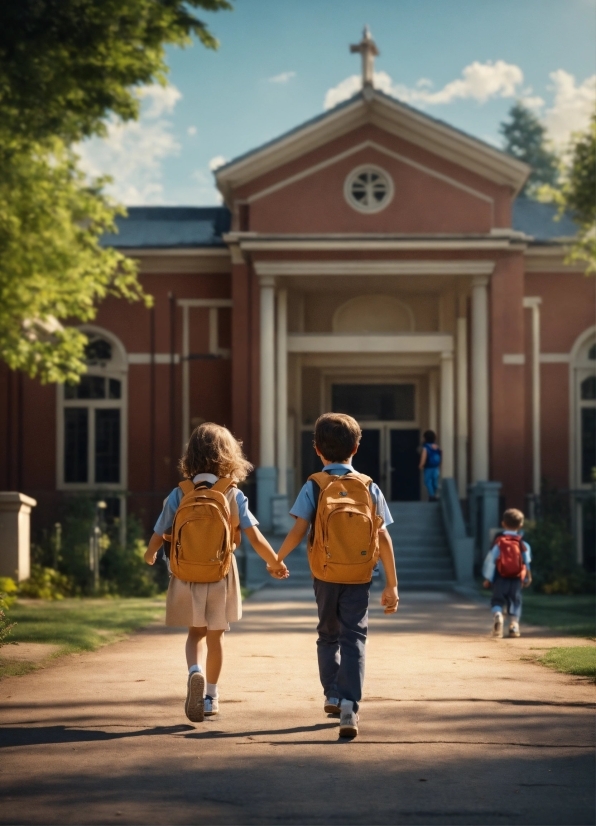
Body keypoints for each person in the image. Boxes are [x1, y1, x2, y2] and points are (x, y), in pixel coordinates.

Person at [144, 422, 287, 722]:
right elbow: (254, 537)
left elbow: (160, 529)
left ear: (191, 456)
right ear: (229, 456)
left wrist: (151, 552)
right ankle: (210, 695)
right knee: (215, 636)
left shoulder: (179, 492)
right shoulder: (232, 494)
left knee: (194, 634)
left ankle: (193, 671)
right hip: (220, 573)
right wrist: (274, 562)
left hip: (186, 574)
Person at [275, 412, 399, 739]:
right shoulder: (369, 487)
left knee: (328, 633)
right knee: (354, 637)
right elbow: (383, 536)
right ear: (356, 447)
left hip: (325, 574)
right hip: (360, 574)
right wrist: (392, 584)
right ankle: (349, 706)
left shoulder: (315, 485)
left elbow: (299, 529)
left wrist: (277, 558)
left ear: (317, 449)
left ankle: (331, 692)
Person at [483, 508, 532, 638]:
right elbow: (526, 562)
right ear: (520, 525)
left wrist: (488, 578)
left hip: (500, 578)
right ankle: (514, 626)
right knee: (515, 602)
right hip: (516, 579)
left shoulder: (499, 542)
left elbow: (491, 561)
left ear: (503, 523)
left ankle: (498, 615)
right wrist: (528, 577)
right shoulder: (522, 544)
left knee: (497, 600)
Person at [419, 429, 442, 501]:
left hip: (428, 467)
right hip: (436, 467)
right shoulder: (437, 447)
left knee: (428, 481)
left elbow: (424, 456)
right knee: (435, 481)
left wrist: (421, 465)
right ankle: (436, 494)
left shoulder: (426, 447)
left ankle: (432, 496)